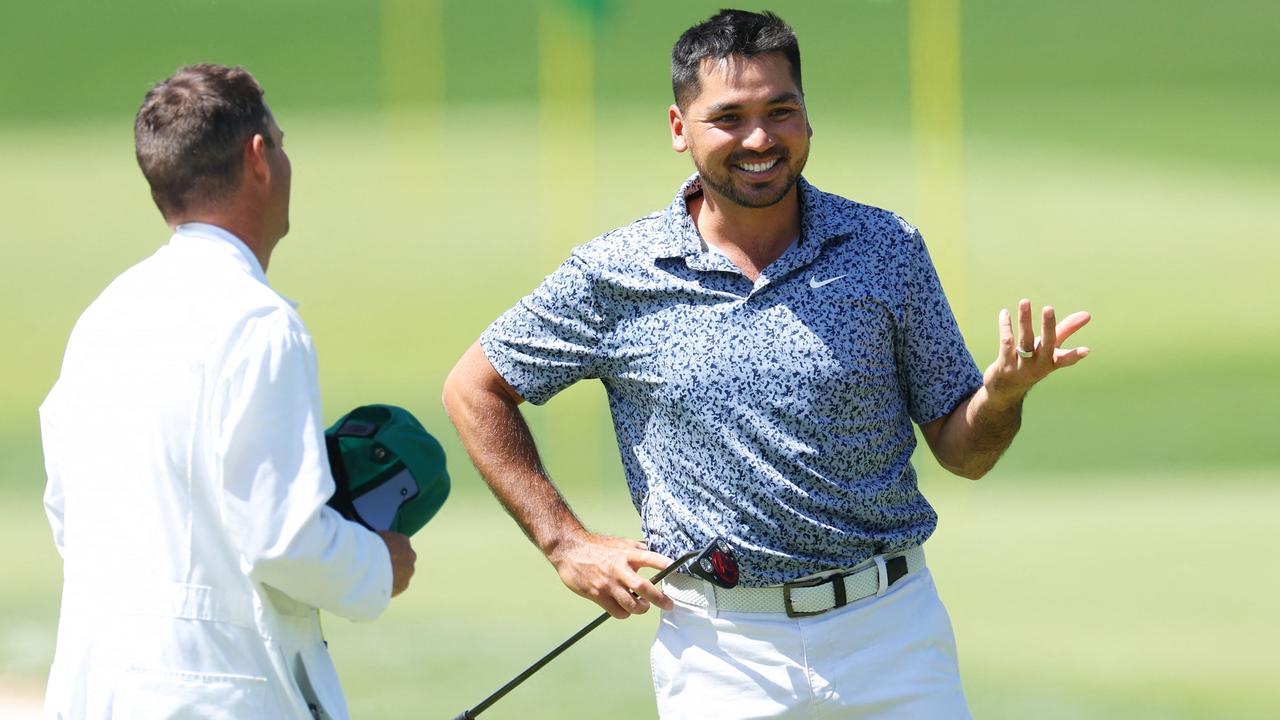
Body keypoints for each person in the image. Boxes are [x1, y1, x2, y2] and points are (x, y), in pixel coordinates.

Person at [442, 9, 1090, 719]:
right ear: (678, 127)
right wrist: (566, 542)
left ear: (808, 120)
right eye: (729, 117)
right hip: (721, 650)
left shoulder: (886, 248)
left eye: (781, 111)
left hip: (892, 634)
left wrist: (1000, 397)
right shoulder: (618, 272)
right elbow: (475, 387)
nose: (759, 138)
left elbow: (965, 455)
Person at [39, 64, 416, 719]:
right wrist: (378, 562)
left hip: (94, 689)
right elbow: (278, 537)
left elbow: (66, 509)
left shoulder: (105, 315)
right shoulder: (259, 323)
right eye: (282, 140)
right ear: (258, 159)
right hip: (209, 698)